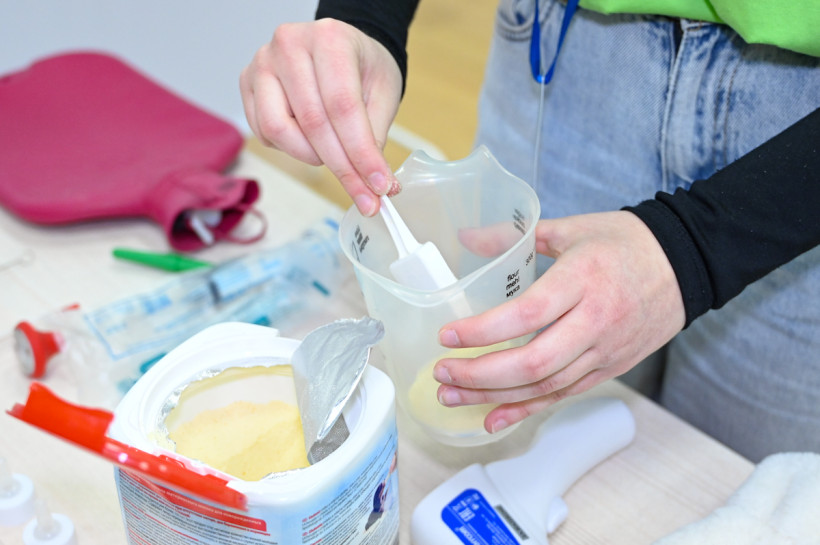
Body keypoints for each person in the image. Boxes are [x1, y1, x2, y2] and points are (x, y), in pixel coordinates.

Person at [240, 0, 820, 462]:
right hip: (568, 45)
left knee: (732, 473)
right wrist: (365, 20)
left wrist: (691, 250)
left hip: (797, 140)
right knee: (544, 424)